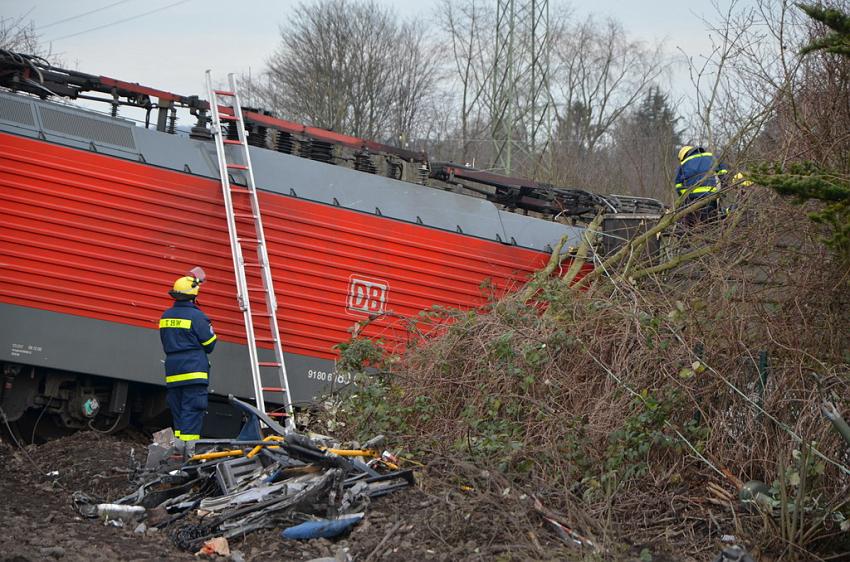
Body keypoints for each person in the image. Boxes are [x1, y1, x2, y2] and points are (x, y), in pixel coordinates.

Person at [159, 270, 216, 443]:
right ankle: (187, 455)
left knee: (179, 415)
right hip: (194, 373)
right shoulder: (197, 317)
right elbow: (210, 345)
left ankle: (177, 452)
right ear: (194, 295)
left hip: (173, 373)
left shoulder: (165, 316)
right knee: (191, 413)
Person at [674, 145, 729, 225]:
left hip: (692, 199)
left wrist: (684, 198)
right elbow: (723, 172)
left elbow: (678, 185)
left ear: (684, 156)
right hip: (711, 196)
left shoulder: (684, 164)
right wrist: (723, 191)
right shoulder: (711, 157)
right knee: (711, 221)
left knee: (692, 224)